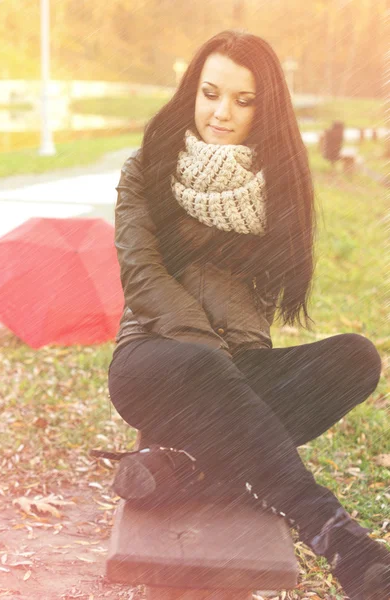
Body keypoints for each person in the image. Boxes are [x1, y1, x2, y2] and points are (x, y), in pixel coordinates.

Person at [107, 30, 390, 599]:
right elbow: (144, 276)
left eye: (243, 100)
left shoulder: (274, 188)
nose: (221, 112)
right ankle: (339, 539)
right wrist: (210, 350)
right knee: (209, 367)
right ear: (192, 91)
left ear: (266, 108)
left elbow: (259, 303)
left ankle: (181, 468)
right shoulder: (146, 169)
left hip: (234, 372)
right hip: (152, 362)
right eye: (211, 93)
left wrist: (234, 359)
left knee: (355, 358)